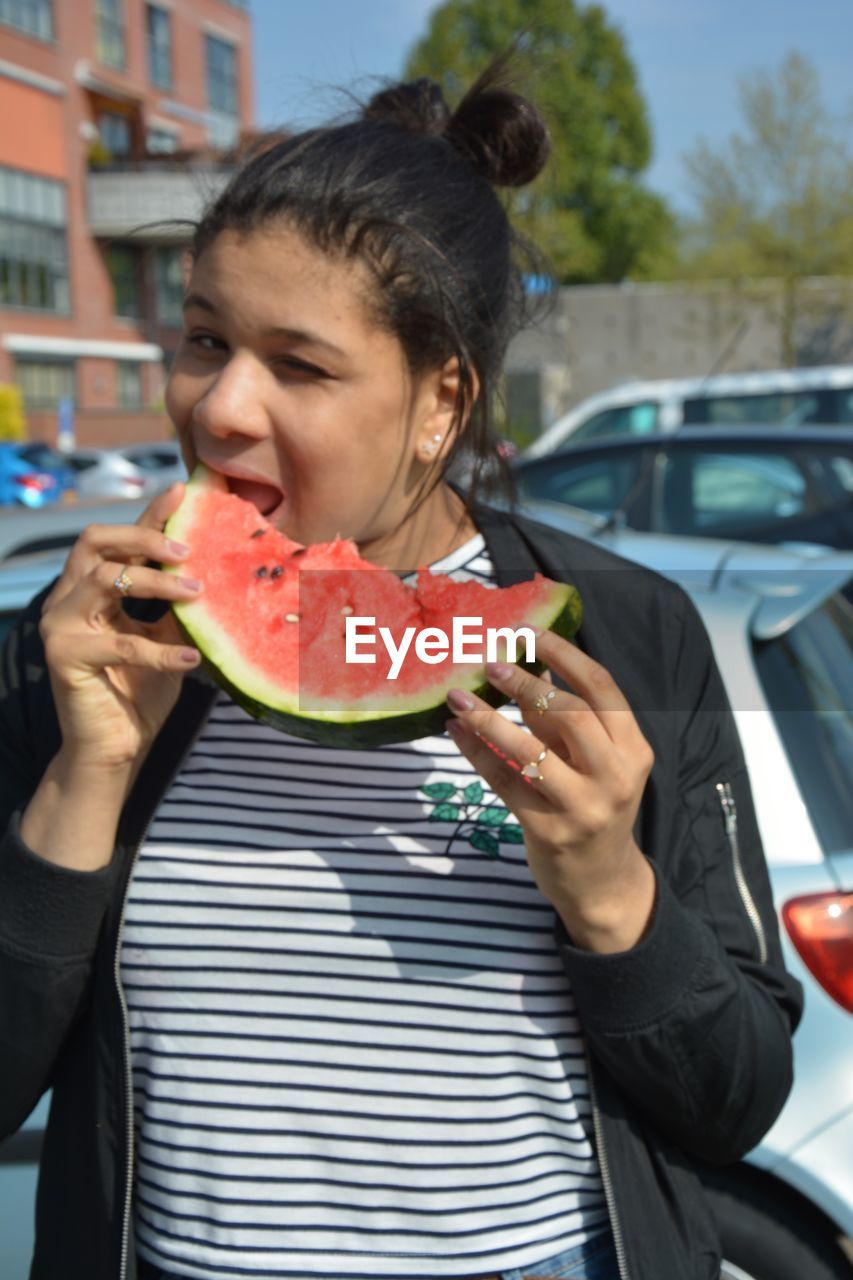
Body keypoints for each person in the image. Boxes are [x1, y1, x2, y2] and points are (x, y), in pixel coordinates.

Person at [0, 62, 802, 1280]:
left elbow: (736, 1093)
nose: (219, 406)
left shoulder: (629, 634)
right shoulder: (91, 642)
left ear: (440, 401)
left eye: (299, 365)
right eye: (205, 338)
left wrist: (606, 889)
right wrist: (83, 781)